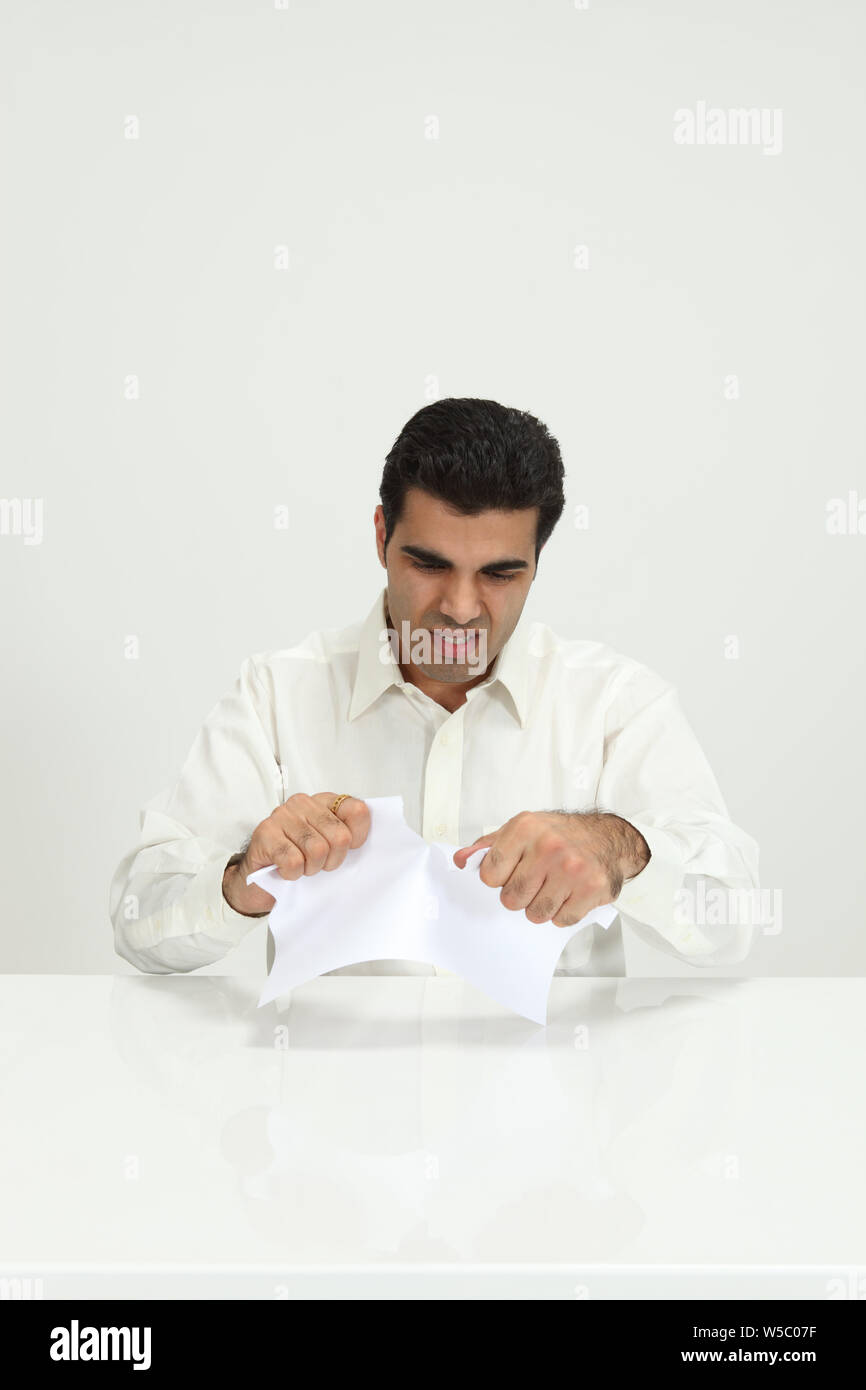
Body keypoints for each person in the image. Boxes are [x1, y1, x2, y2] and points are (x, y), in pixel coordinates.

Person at [110, 397, 759, 978]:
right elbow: (139, 921)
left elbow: (735, 922)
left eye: (501, 573)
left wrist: (622, 851)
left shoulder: (615, 702)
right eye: (428, 564)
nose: (459, 606)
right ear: (380, 537)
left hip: (556, 1105)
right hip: (326, 1102)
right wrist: (241, 878)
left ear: (537, 564)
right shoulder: (277, 694)